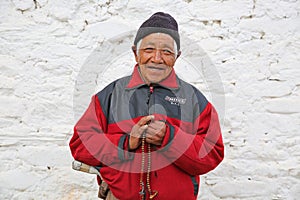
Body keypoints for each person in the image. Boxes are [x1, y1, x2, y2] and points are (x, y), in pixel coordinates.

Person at [69, 12, 224, 200]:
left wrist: (170, 137)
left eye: (167, 52)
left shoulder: (194, 100)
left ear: (177, 57)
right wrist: (126, 143)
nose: (157, 58)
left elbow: (212, 153)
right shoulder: (109, 95)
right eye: (149, 49)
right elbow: (80, 145)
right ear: (136, 53)